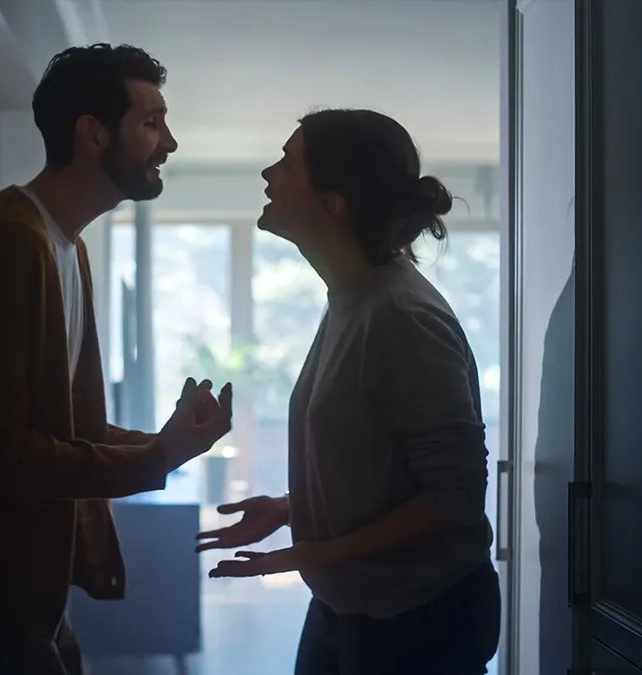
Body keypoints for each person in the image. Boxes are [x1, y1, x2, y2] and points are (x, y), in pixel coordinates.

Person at [0, 44, 232, 675]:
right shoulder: (7, 245)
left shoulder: (65, 248)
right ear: (93, 133)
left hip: (27, 584)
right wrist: (157, 458)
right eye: (152, 122)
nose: (169, 143)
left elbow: (63, 430)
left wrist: (165, 443)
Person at [196, 109, 499, 674]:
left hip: (417, 622)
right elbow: (384, 468)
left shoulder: (401, 317)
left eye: (287, 163)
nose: (268, 174)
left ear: (335, 203)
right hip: (353, 607)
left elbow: (452, 496)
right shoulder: (354, 297)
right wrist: (295, 510)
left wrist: (310, 551)